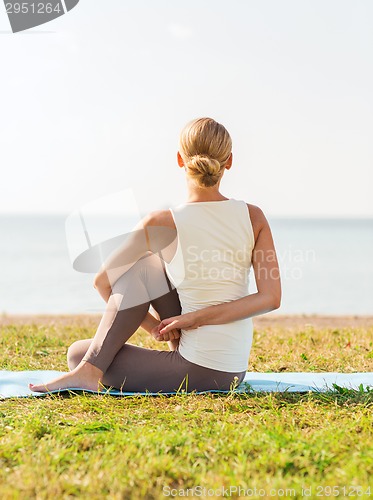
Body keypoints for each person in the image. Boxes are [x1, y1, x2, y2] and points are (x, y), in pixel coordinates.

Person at [29, 117, 281, 394]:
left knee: (78, 352)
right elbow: (270, 298)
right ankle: (91, 369)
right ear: (229, 161)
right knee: (149, 267)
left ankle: (88, 370)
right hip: (234, 368)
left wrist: (165, 324)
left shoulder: (162, 222)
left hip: (201, 370)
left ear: (179, 160)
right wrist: (165, 326)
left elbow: (103, 282)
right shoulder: (253, 216)